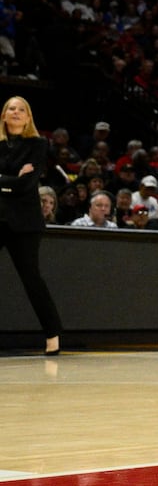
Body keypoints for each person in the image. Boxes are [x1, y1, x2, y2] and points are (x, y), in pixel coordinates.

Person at [0, 97, 62, 354]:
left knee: (31, 279)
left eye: (21, 109)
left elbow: (27, 185)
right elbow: (18, 182)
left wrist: (6, 180)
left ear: (28, 118)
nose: (15, 112)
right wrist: (14, 178)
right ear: (3, 116)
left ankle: (53, 335)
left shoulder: (38, 144)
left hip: (25, 222)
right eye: (11, 109)